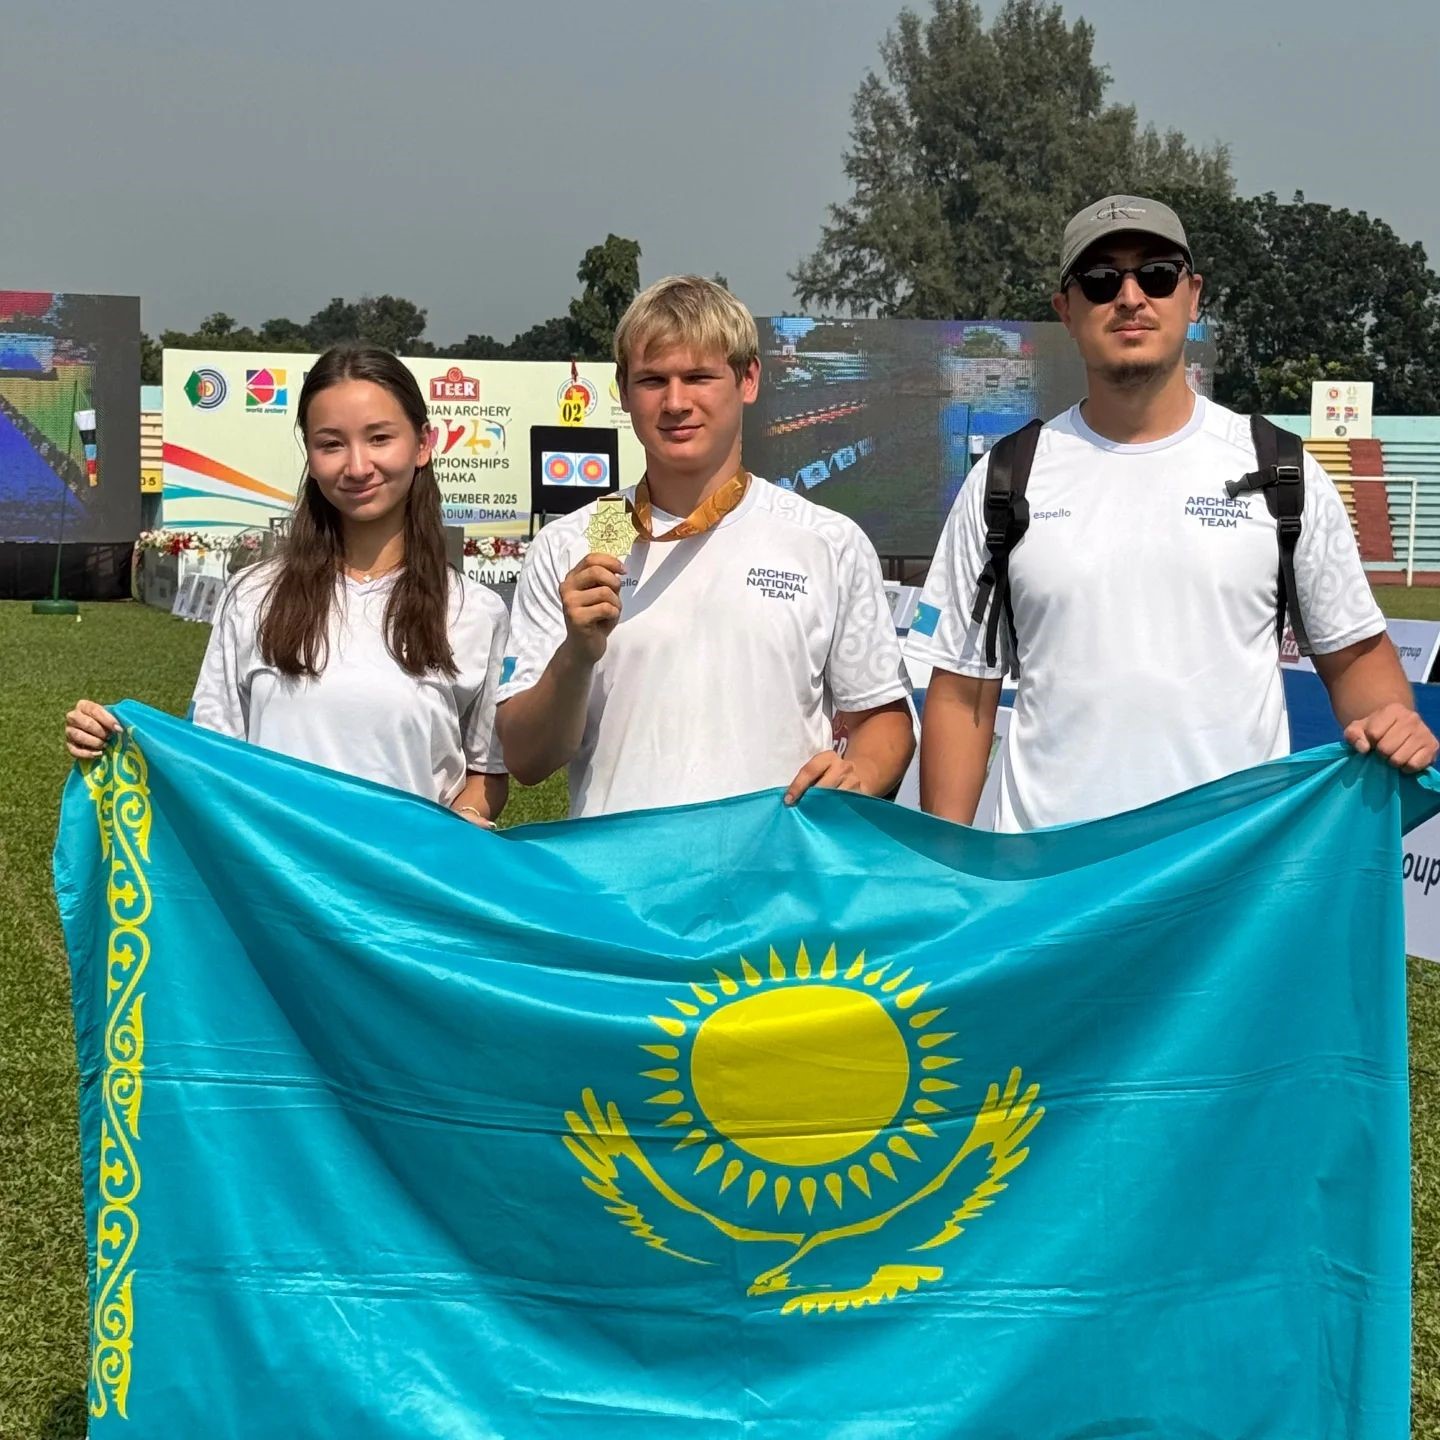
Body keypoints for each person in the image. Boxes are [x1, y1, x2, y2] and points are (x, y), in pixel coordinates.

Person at [906, 193, 1437, 832]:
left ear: (1192, 296)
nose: (1130, 297)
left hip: (1228, 889)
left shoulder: (1281, 471)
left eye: (1155, 275)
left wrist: (1392, 716)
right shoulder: (1003, 479)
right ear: (1066, 312)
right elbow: (965, 693)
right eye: (1101, 282)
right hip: (1055, 890)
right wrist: (946, 871)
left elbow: (1356, 660)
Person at [495, 275, 913, 817]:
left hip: (771, 881)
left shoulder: (825, 540)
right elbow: (526, 761)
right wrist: (575, 656)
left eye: (698, 377)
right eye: (652, 380)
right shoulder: (578, 543)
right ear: (622, 391)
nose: (675, 402)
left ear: (749, 379)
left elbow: (882, 718)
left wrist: (860, 774)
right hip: (620, 888)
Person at [65, 345, 509, 826]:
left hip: (402, 892)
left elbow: (487, 771)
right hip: (275, 892)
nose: (357, 466)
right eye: (331, 443)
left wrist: (466, 816)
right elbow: (210, 759)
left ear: (423, 443)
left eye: (379, 438)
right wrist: (114, 739)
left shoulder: (475, 611)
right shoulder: (253, 596)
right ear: (310, 452)